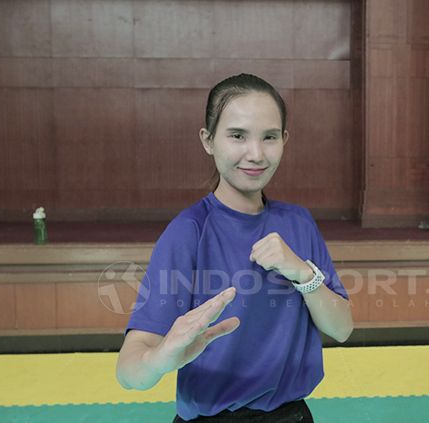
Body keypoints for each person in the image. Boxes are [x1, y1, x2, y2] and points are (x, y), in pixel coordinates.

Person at [116, 73, 353, 422]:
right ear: (208, 140)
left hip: (293, 416)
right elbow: (129, 370)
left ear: (284, 140)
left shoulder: (298, 223)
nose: (255, 154)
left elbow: (341, 328)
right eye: (237, 136)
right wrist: (163, 357)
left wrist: (301, 272)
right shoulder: (188, 232)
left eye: (269, 137)